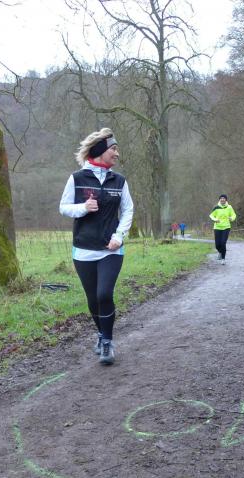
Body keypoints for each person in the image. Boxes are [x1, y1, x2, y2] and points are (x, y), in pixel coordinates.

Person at [59, 128, 134, 365]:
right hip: (83, 249)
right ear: (101, 150)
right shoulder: (77, 178)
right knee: (93, 298)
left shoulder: (119, 181)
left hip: (111, 249)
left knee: (104, 294)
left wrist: (119, 236)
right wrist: (83, 208)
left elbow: (128, 210)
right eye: (114, 149)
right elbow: (64, 207)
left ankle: (108, 342)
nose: (117, 154)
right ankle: (101, 335)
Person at [209, 194, 236, 265]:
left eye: (224, 198)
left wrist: (231, 218)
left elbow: (234, 215)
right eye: (221, 198)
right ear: (219, 200)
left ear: (226, 200)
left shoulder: (229, 207)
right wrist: (215, 219)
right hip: (217, 227)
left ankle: (223, 259)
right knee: (217, 245)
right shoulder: (216, 207)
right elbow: (211, 215)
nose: (222, 199)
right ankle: (220, 252)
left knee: (223, 243)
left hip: (226, 227)